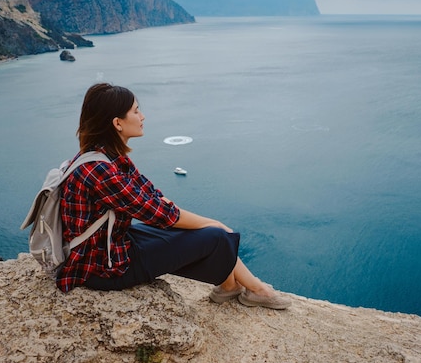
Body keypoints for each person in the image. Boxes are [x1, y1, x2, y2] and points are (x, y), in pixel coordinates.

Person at [57, 82, 291, 310]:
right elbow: (159, 214)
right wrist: (213, 223)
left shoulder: (104, 156)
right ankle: (257, 290)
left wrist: (184, 218)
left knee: (199, 232)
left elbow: (153, 197)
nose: (143, 117)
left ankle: (229, 286)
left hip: (109, 245)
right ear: (117, 123)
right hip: (103, 268)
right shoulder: (101, 170)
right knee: (216, 235)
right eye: (136, 111)